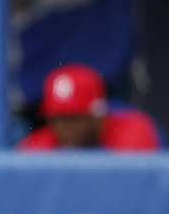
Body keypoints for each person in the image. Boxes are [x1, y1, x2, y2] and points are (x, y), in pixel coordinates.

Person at [18, 64, 161, 152]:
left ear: (98, 115)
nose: (62, 127)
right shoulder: (42, 143)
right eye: (56, 118)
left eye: (72, 118)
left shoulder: (133, 130)